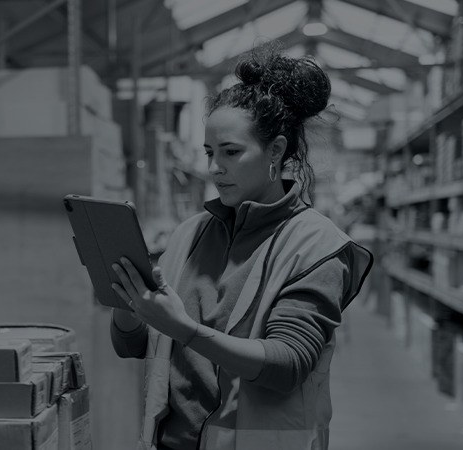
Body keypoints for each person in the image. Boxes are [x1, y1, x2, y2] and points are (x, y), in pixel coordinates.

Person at [109, 42, 374, 450]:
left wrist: (186, 328)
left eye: (231, 152)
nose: (215, 167)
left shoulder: (316, 246)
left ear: (276, 150)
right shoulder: (189, 235)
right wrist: (129, 310)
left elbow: (288, 364)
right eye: (210, 152)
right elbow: (139, 346)